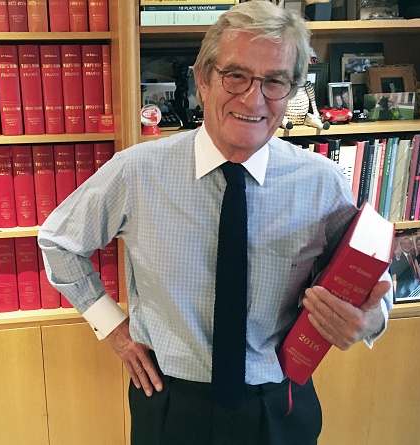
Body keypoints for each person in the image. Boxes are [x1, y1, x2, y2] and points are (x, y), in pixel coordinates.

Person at [38, 2, 393, 444]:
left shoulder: (321, 183)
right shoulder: (136, 171)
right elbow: (58, 241)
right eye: (236, 76)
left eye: (275, 81)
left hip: (277, 402)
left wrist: (369, 318)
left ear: (292, 92)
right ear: (203, 79)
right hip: (170, 401)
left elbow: (371, 276)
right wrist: (115, 330)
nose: (252, 98)